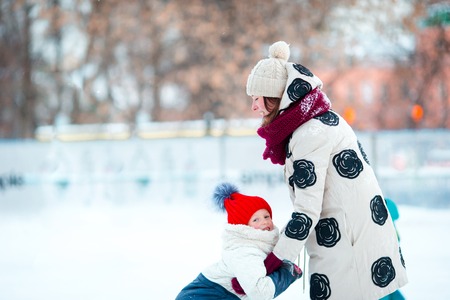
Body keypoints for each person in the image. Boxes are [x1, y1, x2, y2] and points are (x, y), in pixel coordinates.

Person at [243, 41, 408, 300]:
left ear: (275, 100)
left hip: (348, 246)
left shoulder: (310, 133)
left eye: (256, 99)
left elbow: (307, 211)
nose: (253, 107)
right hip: (354, 239)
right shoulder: (315, 121)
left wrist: (273, 261)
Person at [175, 182, 302, 300]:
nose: (264, 221)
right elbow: (260, 292)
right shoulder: (244, 251)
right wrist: (286, 273)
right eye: (255, 220)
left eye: (266, 216)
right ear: (243, 227)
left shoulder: (258, 243)